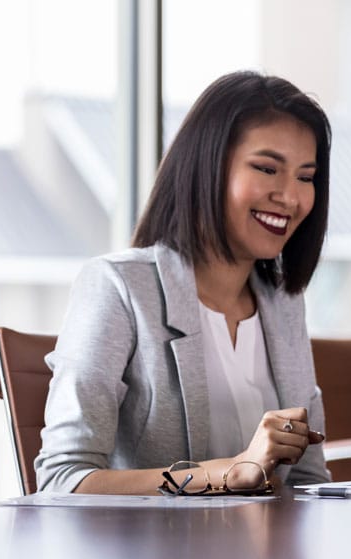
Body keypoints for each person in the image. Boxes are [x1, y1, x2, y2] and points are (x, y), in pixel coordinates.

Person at [35, 70, 332, 494]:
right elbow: (62, 482)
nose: (290, 196)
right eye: (267, 168)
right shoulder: (118, 288)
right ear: (207, 167)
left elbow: (307, 480)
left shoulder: (284, 303)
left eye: (306, 177)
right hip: (156, 557)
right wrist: (227, 472)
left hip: (269, 557)